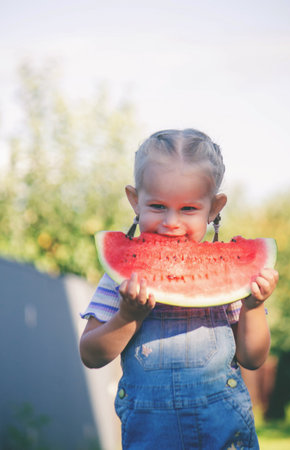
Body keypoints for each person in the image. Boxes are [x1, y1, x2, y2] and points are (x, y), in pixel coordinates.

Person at [80, 129, 278, 449]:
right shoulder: (119, 280)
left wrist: (254, 306)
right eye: (157, 206)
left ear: (214, 208)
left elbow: (253, 358)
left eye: (188, 209)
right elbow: (90, 354)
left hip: (224, 437)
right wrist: (127, 316)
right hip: (150, 438)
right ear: (135, 201)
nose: (171, 222)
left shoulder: (231, 277)